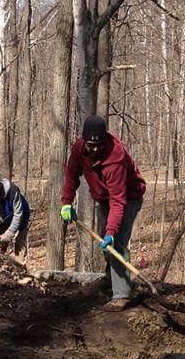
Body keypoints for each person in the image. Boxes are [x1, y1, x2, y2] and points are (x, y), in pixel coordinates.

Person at [60, 115, 146, 310]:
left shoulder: (116, 158)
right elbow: (71, 174)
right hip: (103, 199)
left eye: (99, 144)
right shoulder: (79, 149)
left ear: (105, 139)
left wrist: (112, 232)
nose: (95, 149)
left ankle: (121, 294)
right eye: (91, 145)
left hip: (127, 198)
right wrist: (66, 202)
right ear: (85, 141)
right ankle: (111, 279)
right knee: (103, 241)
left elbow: (118, 201)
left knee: (117, 243)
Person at [0, 174, 31, 258]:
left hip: (20, 216)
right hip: (1, 218)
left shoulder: (13, 192)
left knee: (20, 245)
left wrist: (10, 232)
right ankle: (1, 258)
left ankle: (20, 265)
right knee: (0, 243)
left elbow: (18, 215)